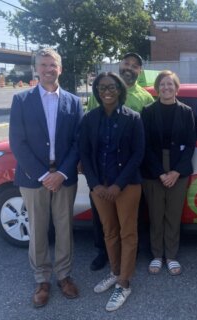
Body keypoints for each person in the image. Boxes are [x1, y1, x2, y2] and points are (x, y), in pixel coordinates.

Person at [9, 48, 83, 308]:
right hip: (33, 178)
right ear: (36, 69)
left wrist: (61, 173)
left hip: (64, 176)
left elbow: (78, 142)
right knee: (38, 231)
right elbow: (17, 143)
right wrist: (43, 175)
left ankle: (64, 276)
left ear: (60, 69)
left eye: (53, 65)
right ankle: (42, 279)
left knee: (65, 229)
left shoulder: (74, 102)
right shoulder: (21, 100)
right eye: (43, 65)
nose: (48, 69)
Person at [79, 72, 145, 311]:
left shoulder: (133, 118)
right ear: (97, 91)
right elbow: (84, 153)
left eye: (111, 87)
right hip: (99, 186)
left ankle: (124, 283)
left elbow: (138, 154)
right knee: (109, 232)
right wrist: (95, 184)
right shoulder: (90, 119)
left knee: (128, 233)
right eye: (101, 87)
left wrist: (118, 184)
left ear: (119, 89)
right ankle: (115, 272)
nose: (106, 91)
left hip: (126, 186)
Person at [87, 52, 154, 272]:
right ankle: (105, 256)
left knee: (130, 224)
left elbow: (143, 143)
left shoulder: (145, 98)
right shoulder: (92, 114)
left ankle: (126, 269)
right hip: (101, 175)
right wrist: (94, 181)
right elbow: (86, 142)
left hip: (129, 175)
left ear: (139, 71)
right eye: (127, 63)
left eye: (135, 65)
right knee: (105, 224)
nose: (130, 68)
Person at [141, 70, 196, 276]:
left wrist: (176, 172)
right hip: (153, 169)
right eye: (162, 84)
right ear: (157, 88)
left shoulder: (186, 111)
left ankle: (171, 255)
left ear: (176, 87)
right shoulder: (148, 111)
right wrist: (159, 173)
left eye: (170, 84)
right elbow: (144, 145)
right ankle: (157, 255)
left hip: (178, 169)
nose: (166, 88)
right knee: (155, 215)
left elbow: (191, 145)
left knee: (173, 215)